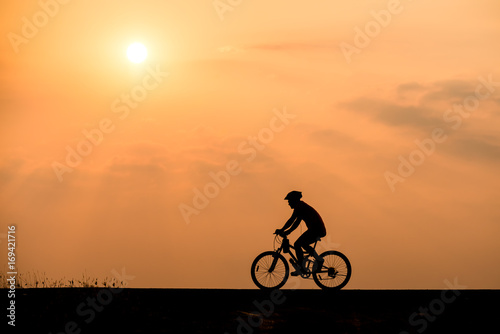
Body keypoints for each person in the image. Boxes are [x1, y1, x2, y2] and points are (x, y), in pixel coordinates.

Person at [275, 191, 327, 276]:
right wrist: (286, 231)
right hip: (316, 229)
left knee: (297, 244)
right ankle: (308, 263)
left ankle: (307, 264)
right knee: (303, 244)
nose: (288, 203)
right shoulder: (301, 207)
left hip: (316, 229)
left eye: (289, 201)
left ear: (294, 200)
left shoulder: (300, 206)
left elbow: (291, 220)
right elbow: (296, 223)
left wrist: (282, 230)